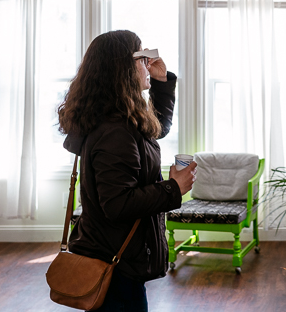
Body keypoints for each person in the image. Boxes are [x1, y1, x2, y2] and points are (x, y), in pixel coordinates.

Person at [57, 30, 196, 312]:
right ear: (122, 67)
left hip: (114, 253)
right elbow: (118, 204)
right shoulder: (115, 131)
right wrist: (173, 189)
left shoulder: (116, 118)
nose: (149, 63)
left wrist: (160, 84)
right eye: (141, 57)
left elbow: (154, 130)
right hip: (116, 262)